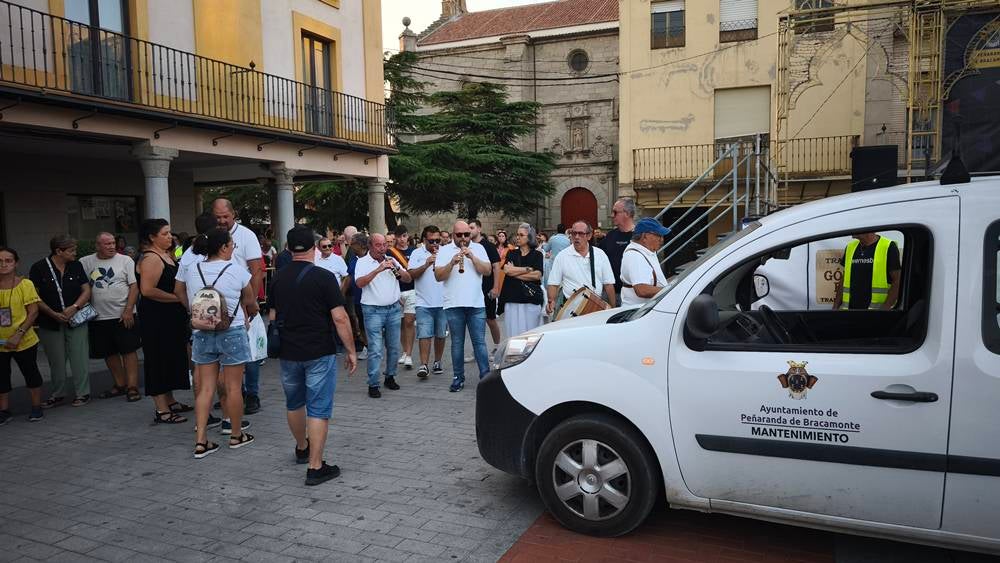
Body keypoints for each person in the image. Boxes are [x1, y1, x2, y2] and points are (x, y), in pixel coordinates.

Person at [268, 226, 357, 485]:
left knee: (294, 402)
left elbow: (272, 316)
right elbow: (339, 317)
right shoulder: (323, 277)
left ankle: (301, 447)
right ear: (314, 248)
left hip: (288, 350)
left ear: (288, 248)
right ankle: (315, 466)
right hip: (319, 349)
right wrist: (350, 350)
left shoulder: (278, 278)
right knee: (318, 408)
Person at [176, 227, 258, 458]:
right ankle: (235, 434)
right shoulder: (237, 270)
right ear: (223, 247)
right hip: (231, 331)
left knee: (205, 388)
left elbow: (181, 292)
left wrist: (192, 311)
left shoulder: (193, 269)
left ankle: (201, 440)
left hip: (202, 331)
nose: (233, 247)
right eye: (232, 244)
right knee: (233, 387)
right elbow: (250, 301)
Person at [211, 198, 264, 415]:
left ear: (233, 214)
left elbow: (257, 270)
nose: (222, 221)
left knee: (249, 352)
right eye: (218, 217)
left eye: (226, 216)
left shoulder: (246, 235)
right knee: (226, 353)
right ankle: (234, 393)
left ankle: (252, 394)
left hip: (244, 301)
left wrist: (250, 302)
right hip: (219, 305)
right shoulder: (212, 235)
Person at [135, 219, 191, 424]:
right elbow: (147, 290)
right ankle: (161, 409)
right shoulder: (151, 258)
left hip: (171, 318)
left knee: (170, 358)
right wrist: (178, 299)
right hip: (156, 318)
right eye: (165, 233)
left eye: (170, 233)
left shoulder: (166, 255)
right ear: (152, 237)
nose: (170, 237)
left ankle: (170, 400)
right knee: (158, 360)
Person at [29, 235, 92, 408]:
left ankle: (83, 393)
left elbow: (86, 290)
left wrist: (75, 307)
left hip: (76, 318)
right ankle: (58, 394)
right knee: (56, 360)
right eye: (71, 250)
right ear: (58, 251)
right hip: (50, 321)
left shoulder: (76, 266)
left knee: (79, 356)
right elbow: (34, 296)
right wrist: (52, 313)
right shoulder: (39, 268)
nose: (75, 253)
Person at [80, 232, 142, 402]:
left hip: (124, 315)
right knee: (109, 353)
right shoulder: (85, 262)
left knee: (129, 351)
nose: (111, 246)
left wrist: (128, 309)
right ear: (97, 246)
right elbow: (83, 287)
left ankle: (132, 387)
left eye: (113, 243)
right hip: (98, 317)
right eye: (106, 244)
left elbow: (134, 287)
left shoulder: (125, 260)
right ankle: (120, 384)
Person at [435, 221, 492, 392]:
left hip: (476, 304)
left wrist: (472, 257)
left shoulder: (479, 248)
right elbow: (439, 276)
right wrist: (452, 263)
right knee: (457, 344)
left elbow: (487, 271)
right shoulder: (444, 251)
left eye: (466, 234)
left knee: (479, 343)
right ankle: (458, 378)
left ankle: (486, 379)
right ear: (453, 235)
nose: (463, 238)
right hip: (453, 304)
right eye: (459, 235)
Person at [354, 233, 412, 398]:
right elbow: (359, 283)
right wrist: (378, 269)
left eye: (384, 245)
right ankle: (373, 384)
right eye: (379, 245)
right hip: (372, 310)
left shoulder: (391, 259)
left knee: (393, 347)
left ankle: (390, 377)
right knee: (375, 349)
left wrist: (398, 271)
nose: (383, 248)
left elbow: (408, 279)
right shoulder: (362, 262)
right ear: (370, 246)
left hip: (393, 309)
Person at [0, 247, 45, 424]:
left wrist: (18, 335)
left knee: (30, 373)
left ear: (16, 263)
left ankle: (36, 406)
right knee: (1, 377)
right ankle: (4, 411)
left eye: (8, 260)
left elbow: (33, 313)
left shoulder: (25, 284)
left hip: (23, 340)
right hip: (1, 342)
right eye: (0, 261)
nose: (3, 264)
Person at [546, 221, 617, 316]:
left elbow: (608, 284)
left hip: (595, 307)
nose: (576, 237)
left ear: (589, 236)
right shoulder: (562, 256)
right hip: (570, 309)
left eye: (580, 233)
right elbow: (553, 283)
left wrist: (613, 309)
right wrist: (551, 302)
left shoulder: (600, 254)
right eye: (573, 233)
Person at [407, 226, 446, 379]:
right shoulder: (417, 253)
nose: (435, 243)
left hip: (443, 301)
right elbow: (411, 275)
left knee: (441, 334)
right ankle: (424, 364)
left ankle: (438, 361)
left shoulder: (445, 252)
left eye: (438, 240)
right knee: (424, 334)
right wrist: (426, 264)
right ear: (424, 240)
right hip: (423, 301)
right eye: (432, 241)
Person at [833, 232, 901, 310]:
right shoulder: (850, 247)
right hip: (850, 312)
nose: (851, 229)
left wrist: (885, 309)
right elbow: (844, 279)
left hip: (876, 315)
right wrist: (835, 307)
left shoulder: (888, 246)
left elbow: (897, 280)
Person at [500, 224, 544, 336]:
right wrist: (527, 269)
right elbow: (506, 270)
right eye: (517, 234)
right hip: (512, 298)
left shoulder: (537, 255)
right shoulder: (512, 253)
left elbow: (537, 275)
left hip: (530, 299)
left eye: (521, 235)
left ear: (529, 237)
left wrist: (514, 272)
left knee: (531, 335)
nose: (517, 237)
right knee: (513, 335)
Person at [619, 219, 671, 307]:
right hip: (638, 313)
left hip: (645, 311)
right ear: (645, 236)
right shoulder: (635, 256)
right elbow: (642, 290)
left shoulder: (647, 250)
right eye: (659, 235)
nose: (662, 240)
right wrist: (670, 290)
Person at [469, 220, 502, 351]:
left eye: (472, 227)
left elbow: (496, 266)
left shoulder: (488, 246)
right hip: (473, 289)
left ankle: (497, 346)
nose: (469, 230)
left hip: (487, 287)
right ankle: (477, 349)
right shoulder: (468, 246)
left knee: (491, 319)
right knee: (475, 321)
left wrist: (496, 287)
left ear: (479, 229)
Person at [388, 226, 416, 369]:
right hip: (397, 290)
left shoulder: (414, 251)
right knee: (401, 324)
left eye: (404, 236)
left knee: (409, 322)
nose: (402, 239)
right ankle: (405, 351)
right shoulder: (390, 252)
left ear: (407, 236)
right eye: (399, 236)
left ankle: (410, 354)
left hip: (412, 289)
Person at [600, 197, 637, 294]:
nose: (612, 215)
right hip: (611, 293)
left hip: (634, 294)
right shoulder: (610, 235)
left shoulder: (641, 237)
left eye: (615, 212)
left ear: (627, 214)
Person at [345, 233, 369, 360]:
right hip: (358, 297)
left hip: (370, 298)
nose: (350, 245)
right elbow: (349, 277)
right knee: (361, 324)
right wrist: (341, 293)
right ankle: (367, 346)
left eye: (352, 243)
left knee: (370, 324)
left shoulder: (372, 257)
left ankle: (373, 348)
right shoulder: (353, 258)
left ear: (360, 245)